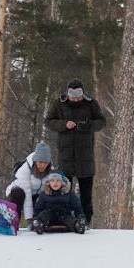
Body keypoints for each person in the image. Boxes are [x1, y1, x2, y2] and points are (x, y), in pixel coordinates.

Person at [44, 79, 105, 224]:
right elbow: (48, 121)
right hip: (66, 156)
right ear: (68, 94)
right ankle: (65, 219)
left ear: (83, 94)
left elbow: (101, 122)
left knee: (86, 193)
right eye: (73, 97)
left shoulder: (91, 103)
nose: (76, 99)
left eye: (78, 97)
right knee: (64, 191)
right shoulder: (58, 103)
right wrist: (64, 124)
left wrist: (87, 125)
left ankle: (86, 220)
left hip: (85, 156)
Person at [5, 141, 53, 227]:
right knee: (18, 194)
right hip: (19, 193)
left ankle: (42, 222)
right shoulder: (25, 169)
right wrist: (29, 219)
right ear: (35, 161)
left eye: (45, 163)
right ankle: (12, 222)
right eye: (40, 162)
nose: (42, 165)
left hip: (35, 196)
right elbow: (27, 194)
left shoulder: (50, 170)